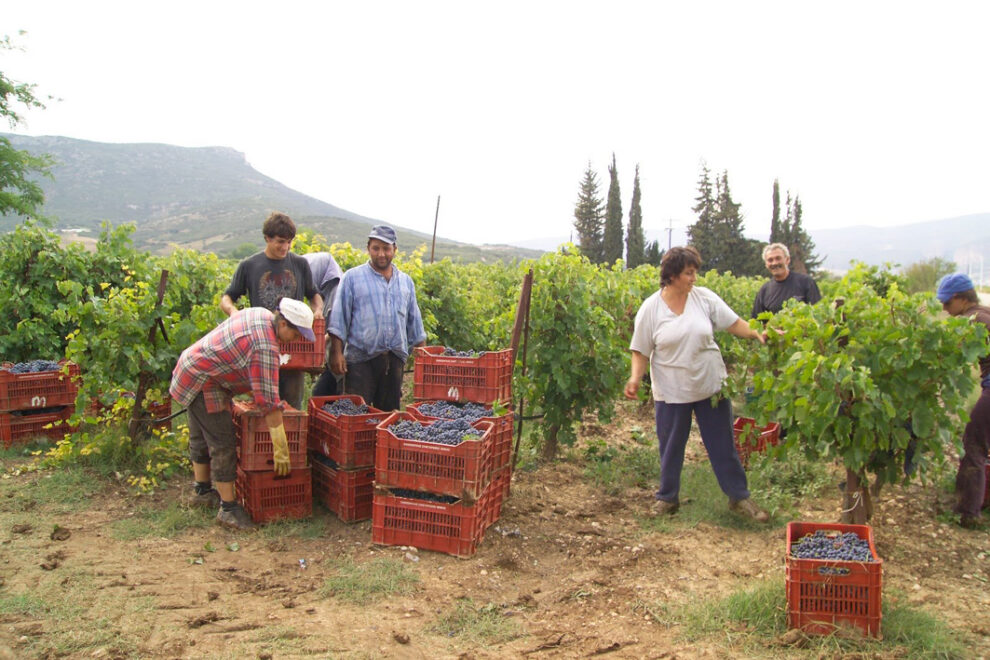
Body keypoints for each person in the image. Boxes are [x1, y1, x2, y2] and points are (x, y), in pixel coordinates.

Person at [624, 246, 769, 522]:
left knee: (722, 444)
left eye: (694, 273)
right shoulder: (651, 309)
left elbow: (734, 323)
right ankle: (667, 498)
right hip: (671, 390)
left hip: (710, 385)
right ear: (673, 275)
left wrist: (755, 333)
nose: (694, 279)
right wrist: (635, 378)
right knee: (671, 447)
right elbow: (640, 350)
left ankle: (739, 498)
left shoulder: (704, 299)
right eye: (689, 273)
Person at [170, 298, 316, 530]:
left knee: (200, 435)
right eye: (297, 335)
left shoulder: (261, 314)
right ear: (285, 324)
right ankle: (228, 510)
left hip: (192, 367)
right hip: (205, 381)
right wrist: (281, 450)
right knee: (222, 442)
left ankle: (202, 491)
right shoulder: (266, 346)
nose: (295, 341)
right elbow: (269, 403)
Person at [220, 212, 323, 410]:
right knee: (263, 405)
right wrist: (233, 313)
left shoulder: (300, 264)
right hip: (262, 346)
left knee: (292, 405)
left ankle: (288, 440)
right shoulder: (249, 266)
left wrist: (317, 310)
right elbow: (227, 297)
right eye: (280, 241)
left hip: (295, 349)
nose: (285, 247)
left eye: (289, 242)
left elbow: (314, 294)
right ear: (267, 238)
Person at [328, 225, 427, 412]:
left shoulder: (405, 282)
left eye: (386, 249)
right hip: (360, 361)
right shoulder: (352, 278)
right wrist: (336, 352)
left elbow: (415, 322)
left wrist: (425, 360)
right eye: (376, 248)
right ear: (368, 248)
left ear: (395, 250)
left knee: (389, 416)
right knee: (355, 416)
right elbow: (339, 317)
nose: (381, 254)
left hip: (394, 360)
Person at [937, 273, 990, 529]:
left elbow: (948, 356)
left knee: (974, 445)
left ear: (961, 298)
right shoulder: (985, 313)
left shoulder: (974, 319)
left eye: (947, 303)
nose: (945, 310)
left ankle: (968, 513)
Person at [303, 251, 344, 397]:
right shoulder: (324, 292)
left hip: (343, 360)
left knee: (326, 398)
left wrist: (313, 346)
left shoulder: (338, 291)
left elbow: (337, 329)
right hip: (333, 361)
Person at [751, 243, 821, 318]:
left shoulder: (806, 282)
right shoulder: (764, 291)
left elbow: (818, 313)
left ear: (787, 260)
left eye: (778, 258)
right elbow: (757, 322)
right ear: (766, 265)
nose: (774, 263)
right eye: (770, 260)